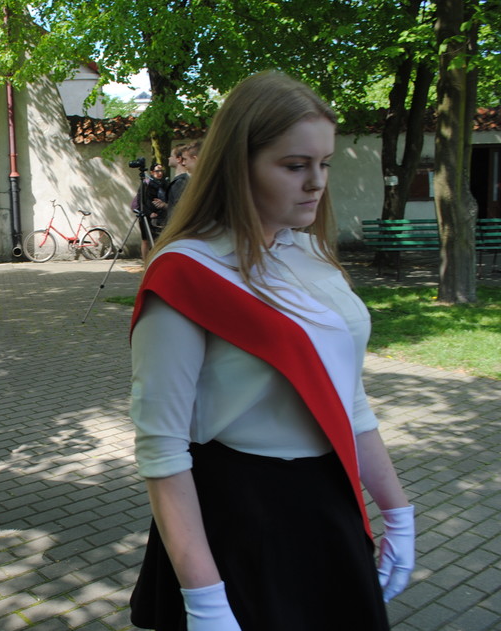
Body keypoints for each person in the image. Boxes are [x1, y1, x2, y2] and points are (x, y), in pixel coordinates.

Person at [128, 71, 414, 631]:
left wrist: (398, 510)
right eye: (294, 165)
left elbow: (349, 399)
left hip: (328, 500)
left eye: (324, 163)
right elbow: (162, 451)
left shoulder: (310, 255)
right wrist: (205, 598)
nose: (316, 183)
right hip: (241, 519)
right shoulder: (186, 273)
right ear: (239, 164)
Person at [132, 163, 168, 260]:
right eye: (157, 171)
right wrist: (149, 213)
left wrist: (164, 204)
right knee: (146, 240)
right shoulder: (146, 183)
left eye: (161, 171)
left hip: (161, 215)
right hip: (146, 215)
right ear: (152, 172)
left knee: (159, 240)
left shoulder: (165, 184)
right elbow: (141, 201)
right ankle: (146, 263)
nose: (160, 173)